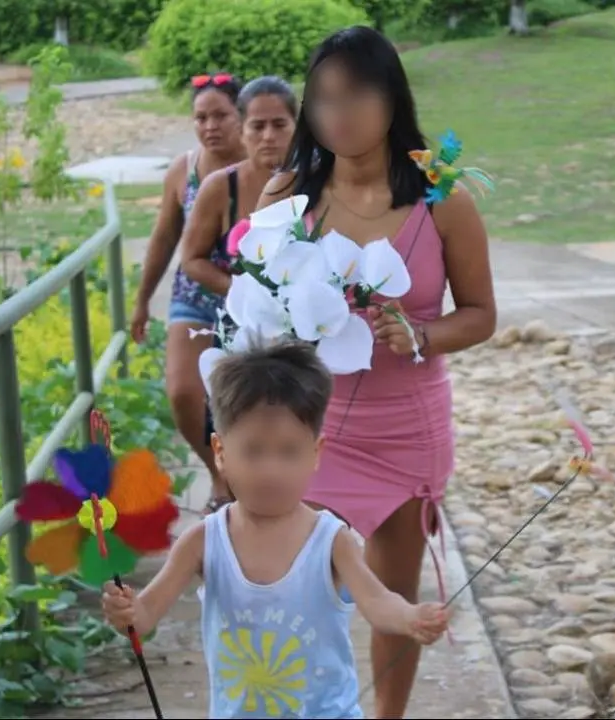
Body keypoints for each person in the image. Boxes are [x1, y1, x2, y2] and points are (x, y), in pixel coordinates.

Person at [257, 26, 496, 719]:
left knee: (394, 600)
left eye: (356, 94)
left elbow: (480, 314)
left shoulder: (441, 201)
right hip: (309, 426)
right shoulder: (288, 196)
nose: (340, 114)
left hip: (406, 429)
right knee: (299, 588)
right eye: (324, 99)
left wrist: (421, 333)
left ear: (392, 98)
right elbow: (258, 309)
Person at [100, 342, 451, 719]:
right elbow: (147, 613)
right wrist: (127, 613)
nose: (271, 471)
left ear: (316, 453)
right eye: (252, 451)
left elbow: (378, 601)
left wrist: (410, 618)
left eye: (288, 452)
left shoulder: (332, 540)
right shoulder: (203, 541)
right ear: (220, 451)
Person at [179, 76, 299, 513]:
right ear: (242, 131)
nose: (268, 136)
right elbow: (191, 257)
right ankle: (240, 494)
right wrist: (248, 292)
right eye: (257, 126)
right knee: (241, 411)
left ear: (298, 127)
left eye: (280, 125)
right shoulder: (220, 187)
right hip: (234, 316)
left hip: (305, 324)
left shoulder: (322, 185)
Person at [130, 72, 245, 502]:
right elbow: (163, 238)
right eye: (201, 118)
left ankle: (248, 480)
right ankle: (219, 472)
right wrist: (142, 300)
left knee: (245, 400)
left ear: (241, 116)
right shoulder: (184, 169)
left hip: (253, 299)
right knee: (183, 392)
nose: (210, 126)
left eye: (221, 116)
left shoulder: (263, 164)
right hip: (194, 294)